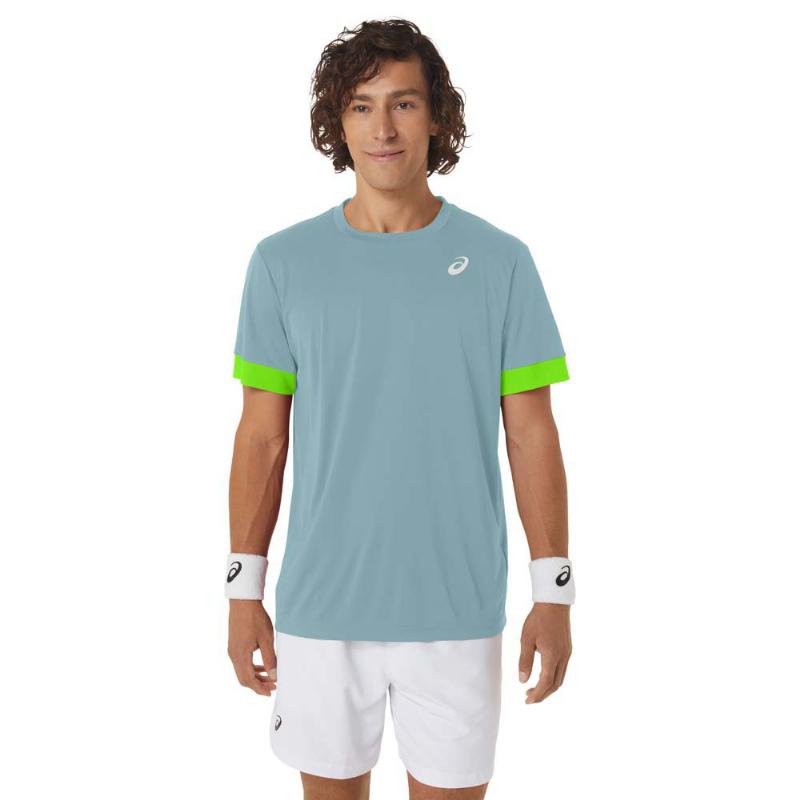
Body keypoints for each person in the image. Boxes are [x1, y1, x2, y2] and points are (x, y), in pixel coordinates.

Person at [226, 18, 574, 800]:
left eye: (404, 103)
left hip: (456, 612)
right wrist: (243, 591)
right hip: (321, 610)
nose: (383, 127)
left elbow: (531, 434)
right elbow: (261, 440)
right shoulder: (282, 264)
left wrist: (552, 593)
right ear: (338, 123)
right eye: (361, 106)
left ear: (438, 117)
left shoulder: (501, 263)